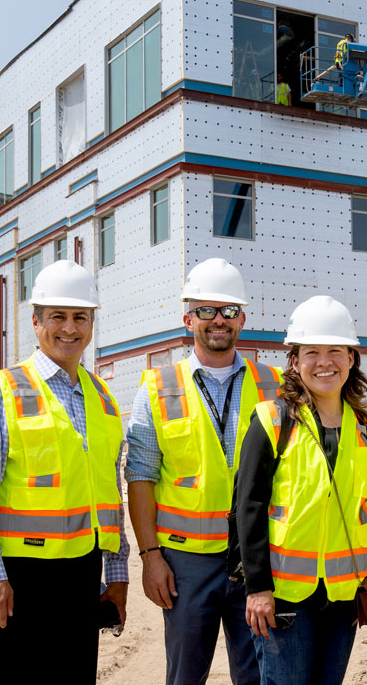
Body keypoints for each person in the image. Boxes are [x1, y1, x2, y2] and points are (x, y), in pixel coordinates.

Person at [0, 260, 129, 685]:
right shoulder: (5, 388)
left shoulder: (103, 397)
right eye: (57, 317)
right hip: (21, 577)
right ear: (36, 322)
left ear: (91, 324)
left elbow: (109, 491)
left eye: (80, 317)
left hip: (82, 576)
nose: (69, 328)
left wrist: (118, 573)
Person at [127, 259, 282, 685]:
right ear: (188, 318)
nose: (219, 320)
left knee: (258, 674)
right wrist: (150, 556)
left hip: (258, 557)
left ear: (242, 318)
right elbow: (139, 476)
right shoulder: (157, 387)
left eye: (229, 311)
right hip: (184, 563)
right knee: (185, 675)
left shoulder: (275, 384)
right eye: (207, 311)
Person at [234, 295, 367, 685]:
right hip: (285, 595)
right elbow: (248, 506)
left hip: (343, 595)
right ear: (294, 361)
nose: (325, 362)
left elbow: (363, 503)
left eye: (335, 350)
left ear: (351, 358)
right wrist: (258, 589)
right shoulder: (272, 420)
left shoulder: (366, 425)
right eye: (312, 352)